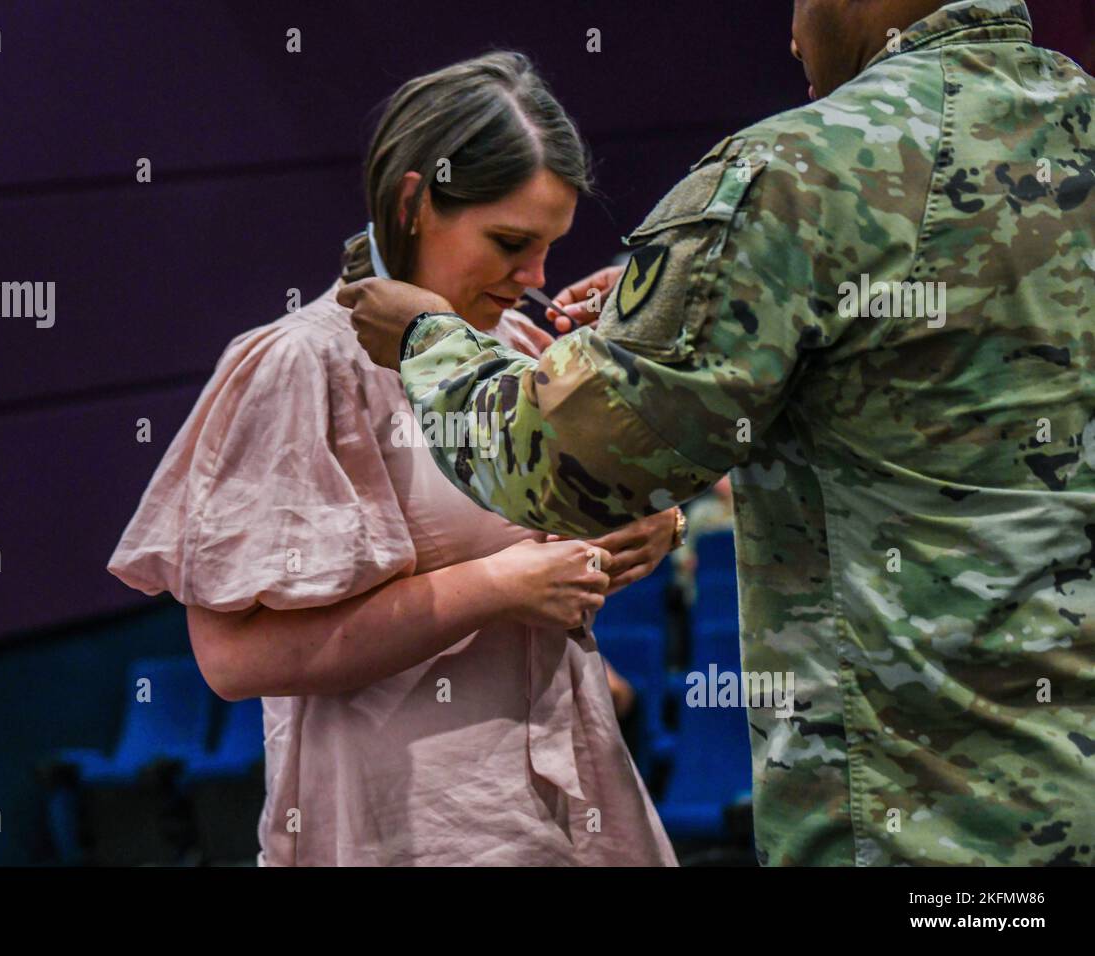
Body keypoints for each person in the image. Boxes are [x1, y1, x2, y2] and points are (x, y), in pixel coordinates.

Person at [339, 0, 1095, 865]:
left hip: (926, 823)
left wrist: (426, 342)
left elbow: (565, 462)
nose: (792, 31)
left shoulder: (802, 170)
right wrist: (718, 301)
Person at [107, 51, 681, 866]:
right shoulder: (303, 364)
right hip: (400, 827)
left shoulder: (517, 349)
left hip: (561, 808)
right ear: (415, 203)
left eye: (550, 247)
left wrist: (646, 529)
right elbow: (232, 659)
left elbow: (581, 532)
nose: (534, 279)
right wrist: (495, 586)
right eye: (510, 242)